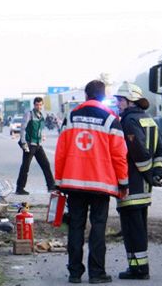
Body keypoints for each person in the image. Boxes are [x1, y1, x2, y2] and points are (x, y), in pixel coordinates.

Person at [54, 80, 128, 284]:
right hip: (101, 185)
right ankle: (97, 273)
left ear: (86, 96)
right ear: (103, 96)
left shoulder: (71, 117)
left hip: (74, 183)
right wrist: (123, 183)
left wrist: (58, 181)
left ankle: (74, 273)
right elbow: (119, 155)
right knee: (98, 227)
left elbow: (60, 152)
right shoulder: (111, 119)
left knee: (76, 227)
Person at [113, 82, 162, 280]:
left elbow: (139, 153)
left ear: (130, 101)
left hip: (132, 186)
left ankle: (139, 269)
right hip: (144, 189)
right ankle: (137, 267)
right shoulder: (148, 119)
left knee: (132, 230)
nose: (118, 103)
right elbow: (161, 149)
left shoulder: (128, 121)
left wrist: (149, 174)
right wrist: (158, 172)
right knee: (138, 229)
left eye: (120, 100)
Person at [15, 97, 56, 195]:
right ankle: (19, 188)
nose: (39, 106)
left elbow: (39, 130)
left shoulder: (41, 116)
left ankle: (51, 186)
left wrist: (42, 136)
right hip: (29, 145)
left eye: (40, 104)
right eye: (37, 104)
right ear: (34, 105)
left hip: (38, 145)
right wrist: (24, 143)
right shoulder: (29, 114)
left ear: (42, 105)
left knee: (46, 164)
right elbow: (23, 129)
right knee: (25, 167)